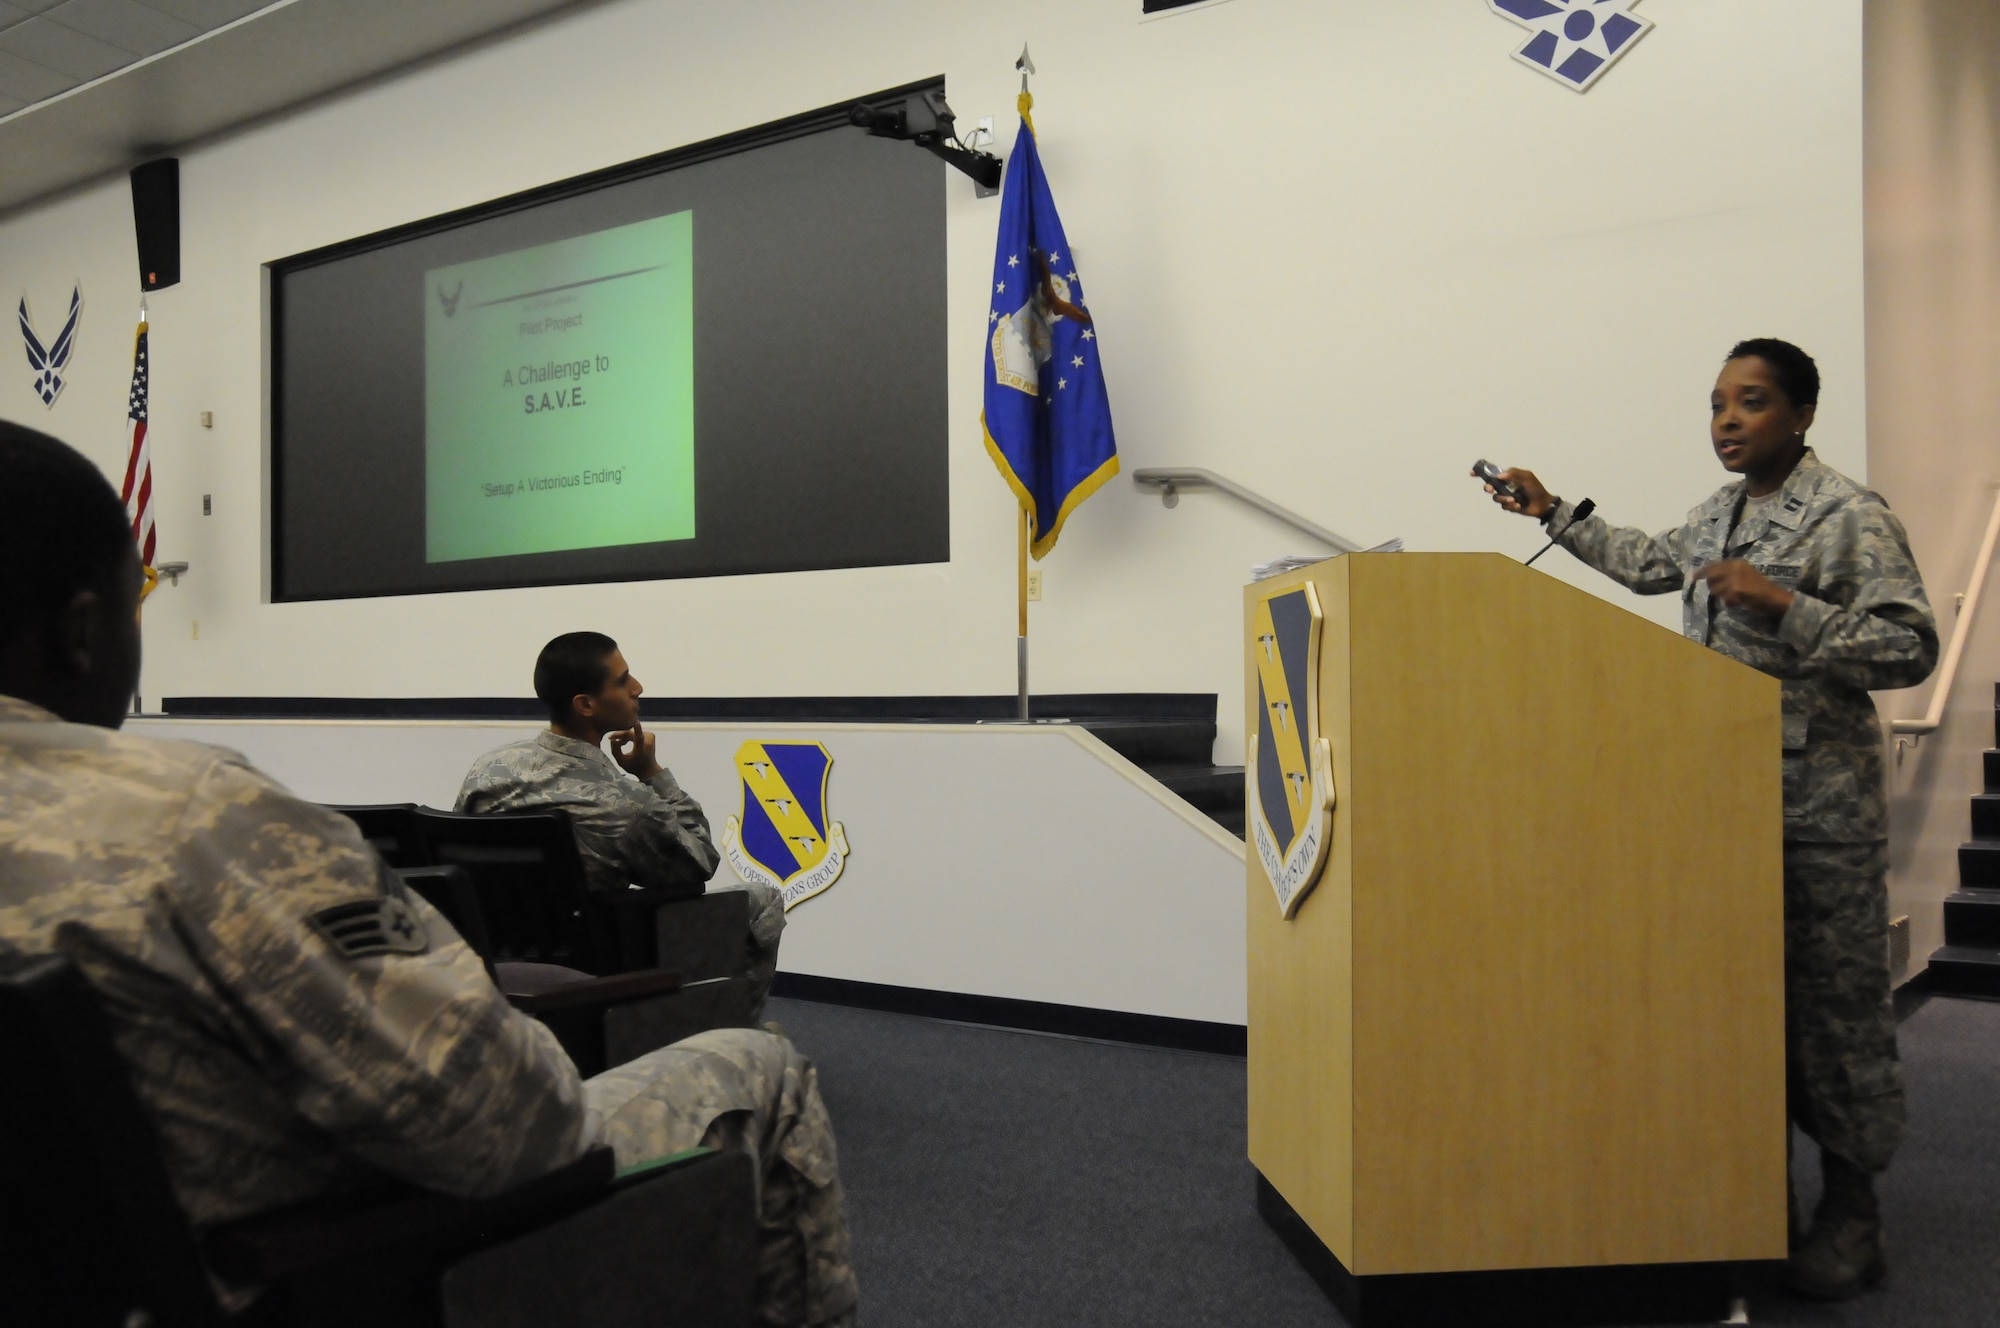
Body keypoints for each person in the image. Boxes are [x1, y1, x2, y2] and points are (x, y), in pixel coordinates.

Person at [0, 421, 856, 1327]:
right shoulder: (195, 816)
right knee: (763, 1068)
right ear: (84, 631)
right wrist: (651, 779)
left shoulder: (490, 772)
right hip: (323, 1270)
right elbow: (517, 1122)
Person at [1479, 339, 1937, 1302]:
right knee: (1734, 1014)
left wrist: (1787, 609)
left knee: (1834, 1016)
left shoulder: (1850, 515)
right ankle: (1751, 1203)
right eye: (1719, 404)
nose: (1728, 421)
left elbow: (1908, 647)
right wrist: (1554, 511)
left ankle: (1854, 1217)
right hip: (1715, 812)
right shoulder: (1719, 514)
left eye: (1752, 402)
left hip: (1821, 815)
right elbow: (1652, 564)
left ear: (1803, 415)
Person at [456, 632, 786, 1017]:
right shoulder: (626, 803)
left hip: (503, 953)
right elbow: (699, 862)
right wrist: (653, 774)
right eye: (623, 680)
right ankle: (743, 1041)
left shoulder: (487, 771)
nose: (638, 688)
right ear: (585, 704)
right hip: (610, 951)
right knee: (764, 899)